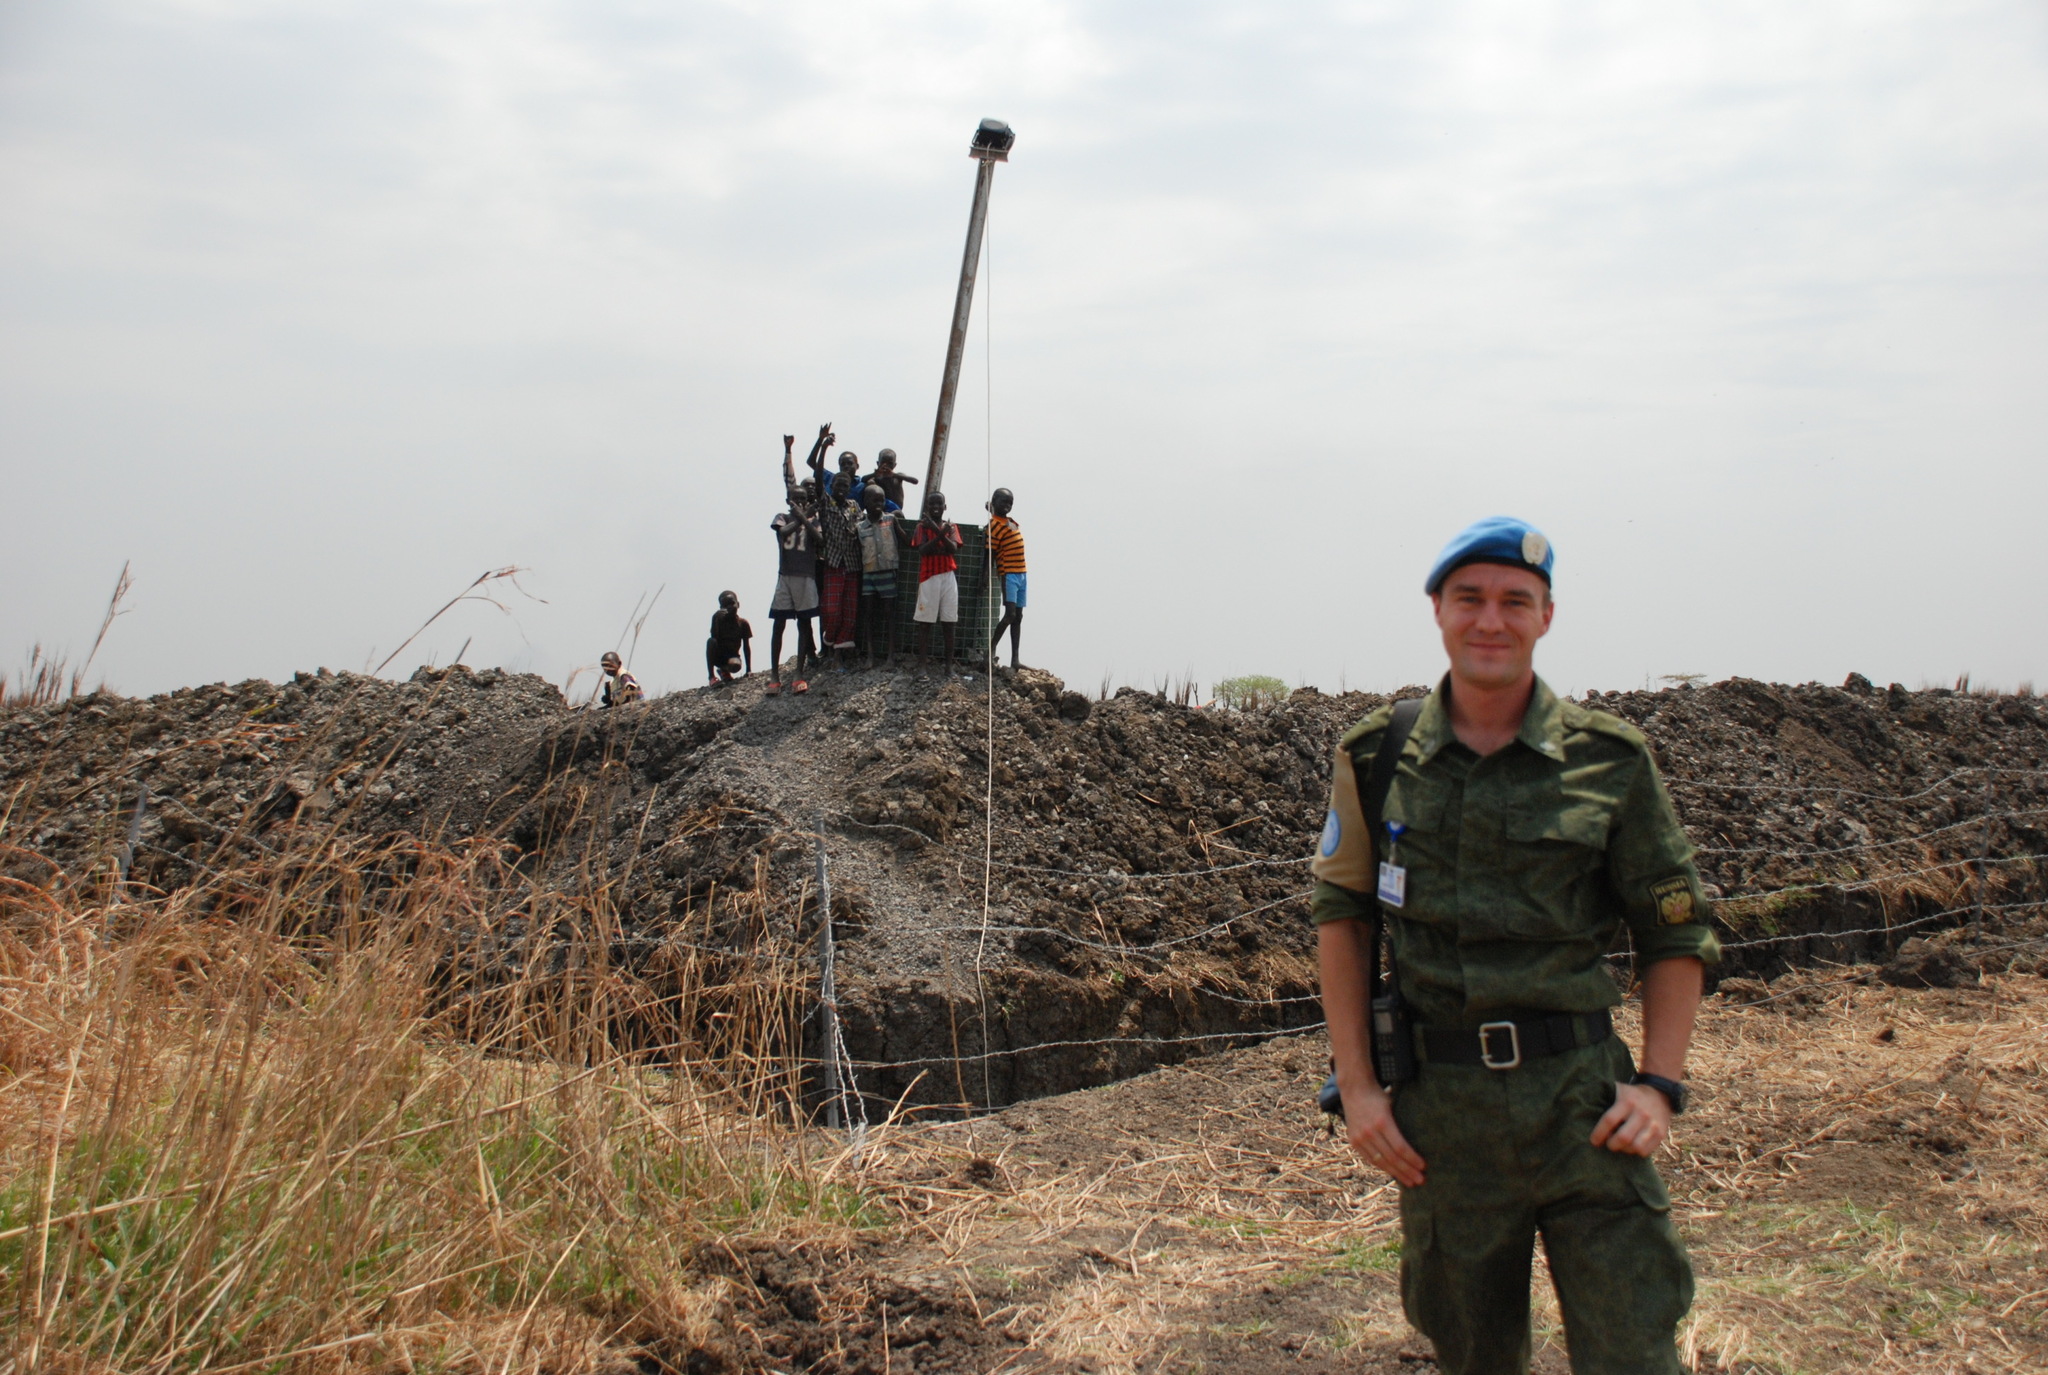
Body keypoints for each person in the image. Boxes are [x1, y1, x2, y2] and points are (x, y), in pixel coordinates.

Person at [1311, 516, 1718, 1375]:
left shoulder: (1609, 762)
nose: (1490, 620)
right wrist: (1356, 1086)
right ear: (1437, 610)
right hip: (1442, 1126)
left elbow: (1673, 929)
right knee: (1473, 1357)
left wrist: (1662, 1086)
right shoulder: (1377, 756)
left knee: (1634, 1353)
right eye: (1471, 599)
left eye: (1514, 602)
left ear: (1546, 616)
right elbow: (1341, 917)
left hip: (1585, 1110)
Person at [767, 487, 820, 696]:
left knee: (804, 623)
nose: (800, 502)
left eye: (803, 499)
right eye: (796, 499)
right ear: (789, 501)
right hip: (786, 575)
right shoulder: (782, 517)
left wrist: (806, 519)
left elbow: (819, 539)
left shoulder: (813, 521)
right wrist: (801, 518)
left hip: (806, 576)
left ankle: (799, 671)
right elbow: (783, 532)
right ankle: (774, 675)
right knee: (779, 623)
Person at [908, 491, 963, 672]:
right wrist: (940, 535)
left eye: (939, 504)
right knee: (925, 622)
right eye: (932, 504)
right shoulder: (921, 527)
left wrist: (937, 533)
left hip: (947, 576)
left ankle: (948, 666)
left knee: (949, 621)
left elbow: (953, 548)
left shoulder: (951, 526)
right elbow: (923, 550)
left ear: (944, 506)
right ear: (927, 507)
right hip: (929, 576)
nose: (936, 508)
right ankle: (922, 666)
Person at [815, 472, 865, 664]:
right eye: (839, 486)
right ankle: (829, 640)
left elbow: (860, 525)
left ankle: (838, 653)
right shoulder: (827, 503)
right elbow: (819, 483)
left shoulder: (853, 506)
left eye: (845, 486)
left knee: (850, 610)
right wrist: (823, 448)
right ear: (832, 486)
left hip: (852, 563)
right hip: (834, 562)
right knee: (831, 609)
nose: (842, 489)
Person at [856, 483, 902, 666]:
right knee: (868, 615)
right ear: (865, 502)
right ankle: (870, 655)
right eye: (874, 500)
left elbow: (905, 538)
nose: (879, 503)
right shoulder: (859, 526)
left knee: (889, 614)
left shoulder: (891, 520)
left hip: (887, 573)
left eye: (881, 500)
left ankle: (890, 655)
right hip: (869, 573)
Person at [984, 487, 1026, 672]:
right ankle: (989, 651)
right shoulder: (994, 525)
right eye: (1003, 502)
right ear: (994, 502)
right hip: (1008, 573)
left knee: (1018, 617)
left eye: (1010, 503)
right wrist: (985, 577)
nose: (1007, 506)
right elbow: (989, 554)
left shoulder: (1008, 522)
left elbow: (1013, 528)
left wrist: (992, 508)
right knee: (1010, 615)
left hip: (1022, 573)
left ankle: (1015, 659)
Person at [707, 590, 753, 685]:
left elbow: (746, 647)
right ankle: (712, 677)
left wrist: (748, 669)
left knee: (735, 665)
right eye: (725, 605)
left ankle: (724, 671)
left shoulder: (743, 623)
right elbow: (713, 640)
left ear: (738, 604)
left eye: (732, 603)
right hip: (719, 656)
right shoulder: (718, 619)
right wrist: (717, 619)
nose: (729, 607)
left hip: (733, 657)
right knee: (710, 641)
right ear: (721, 608)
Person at [864, 448, 917, 513]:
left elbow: (915, 481)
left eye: (890, 463)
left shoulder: (897, 477)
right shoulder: (876, 478)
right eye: (883, 462)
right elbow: (863, 480)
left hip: (895, 511)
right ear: (878, 463)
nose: (886, 466)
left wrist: (894, 475)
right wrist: (874, 474)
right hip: (880, 510)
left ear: (894, 465)